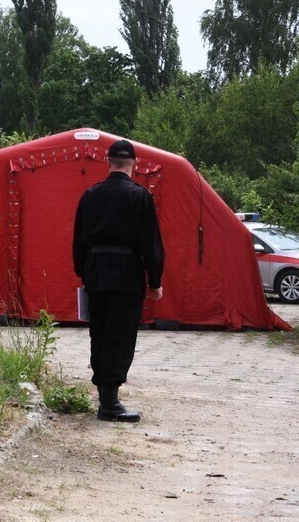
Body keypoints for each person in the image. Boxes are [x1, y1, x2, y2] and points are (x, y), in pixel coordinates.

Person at [72, 139, 164, 422]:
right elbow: (151, 243)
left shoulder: (90, 195)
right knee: (120, 335)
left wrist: (84, 272)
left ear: (108, 162)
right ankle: (109, 404)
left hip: (96, 272)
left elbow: (78, 242)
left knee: (99, 333)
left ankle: (105, 396)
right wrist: (155, 279)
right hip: (127, 274)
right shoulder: (140, 196)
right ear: (133, 164)